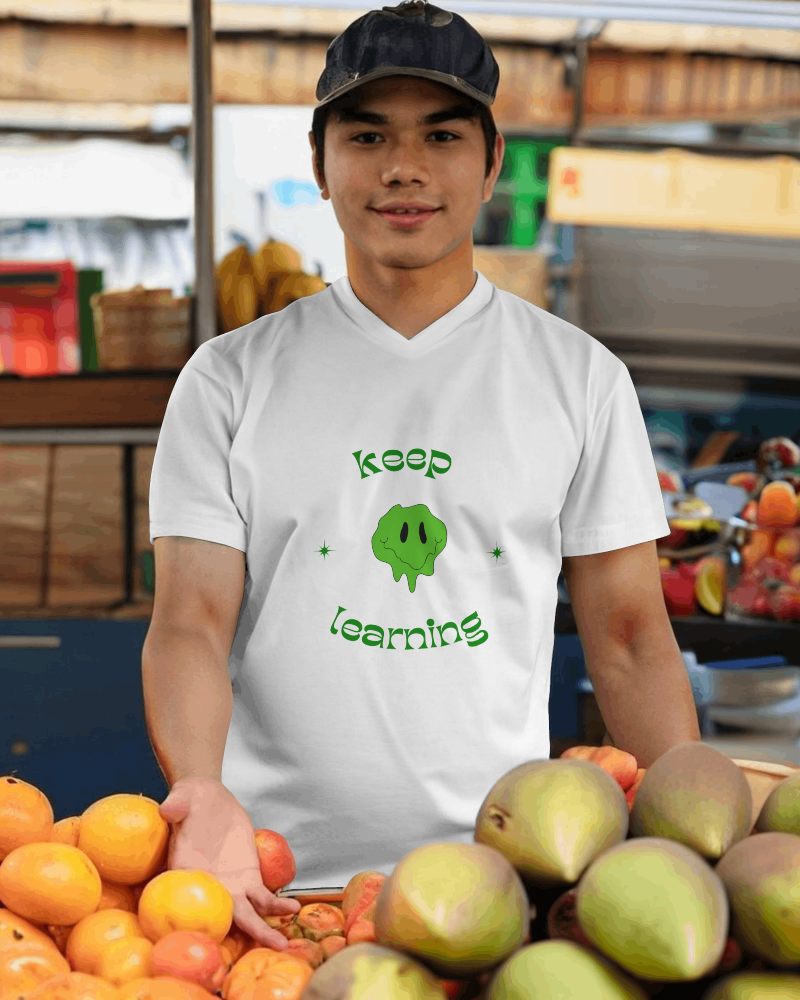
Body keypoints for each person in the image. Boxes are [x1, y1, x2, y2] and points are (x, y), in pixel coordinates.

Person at [144, 0, 700, 951]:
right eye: (368, 136)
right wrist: (200, 793)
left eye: (441, 135)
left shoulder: (578, 378)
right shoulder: (228, 379)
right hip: (273, 889)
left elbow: (631, 637)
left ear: (489, 163)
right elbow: (190, 623)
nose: (404, 168)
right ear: (320, 166)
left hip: (503, 886)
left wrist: (699, 844)